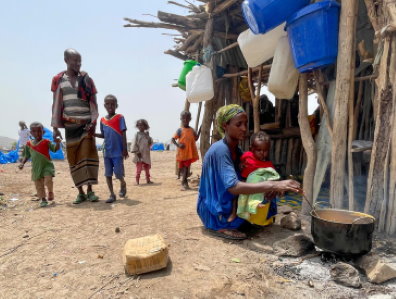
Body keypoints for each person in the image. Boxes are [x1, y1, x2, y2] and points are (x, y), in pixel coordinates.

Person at [197, 104, 301, 240]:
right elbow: (234, 187)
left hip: (226, 201)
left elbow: (249, 176)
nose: (244, 128)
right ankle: (221, 226)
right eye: (238, 124)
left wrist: (271, 187)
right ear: (225, 125)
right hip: (213, 208)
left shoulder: (236, 150)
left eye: (245, 123)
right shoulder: (220, 150)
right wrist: (274, 185)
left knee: (262, 192)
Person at [51, 48, 100, 204]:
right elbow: (56, 104)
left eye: (80, 61)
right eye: (75, 61)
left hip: (86, 125)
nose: (78, 64)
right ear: (66, 60)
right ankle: (80, 192)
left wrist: (93, 122)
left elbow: (94, 103)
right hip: (70, 126)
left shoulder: (86, 79)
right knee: (74, 160)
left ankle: (90, 191)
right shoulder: (58, 80)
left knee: (88, 157)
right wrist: (55, 127)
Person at [228, 131, 277, 223]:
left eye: (265, 150)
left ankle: (258, 212)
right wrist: (241, 165)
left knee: (263, 197)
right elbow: (240, 161)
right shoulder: (247, 155)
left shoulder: (268, 165)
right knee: (235, 196)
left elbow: (273, 177)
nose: (262, 153)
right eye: (259, 150)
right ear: (252, 149)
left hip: (257, 187)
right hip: (244, 182)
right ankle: (234, 213)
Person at [94, 95, 128, 203]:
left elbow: (123, 134)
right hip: (107, 152)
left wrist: (125, 149)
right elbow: (103, 135)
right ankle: (112, 194)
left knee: (118, 173)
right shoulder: (102, 120)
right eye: (108, 104)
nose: (110, 106)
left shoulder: (120, 117)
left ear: (116, 105)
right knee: (108, 174)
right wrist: (93, 134)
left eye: (113, 104)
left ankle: (123, 183)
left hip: (118, 152)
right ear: (104, 105)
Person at [18, 122, 61, 207]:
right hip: (36, 168)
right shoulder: (29, 144)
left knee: (48, 179)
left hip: (47, 166)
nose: (37, 133)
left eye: (39, 131)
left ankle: (50, 191)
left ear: (43, 132)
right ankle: (43, 199)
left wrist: (58, 143)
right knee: (39, 185)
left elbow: (55, 149)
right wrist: (22, 163)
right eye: (34, 131)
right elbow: (26, 155)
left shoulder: (46, 142)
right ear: (30, 133)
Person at [172, 111, 200, 190]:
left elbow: (196, 138)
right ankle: (184, 182)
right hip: (182, 153)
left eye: (187, 118)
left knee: (187, 167)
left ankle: (184, 183)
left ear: (190, 119)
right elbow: (173, 139)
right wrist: (178, 145)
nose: (185, 119)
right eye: (183, 118)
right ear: (181, 119)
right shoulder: (180, 130)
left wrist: (200, 131)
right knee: (182, 168)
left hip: (189, 153)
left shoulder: (192, 130)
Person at [131, 119, 153, 185]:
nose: (141, 126)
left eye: (142, 125)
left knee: (147, 169)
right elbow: (134, 144)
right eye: (139, 125)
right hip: (139, 155)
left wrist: (148, 137)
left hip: (146, 154)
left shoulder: (147, 135)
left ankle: (148, 180)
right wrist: (137, 152)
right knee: (139, 169)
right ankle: (137, 180)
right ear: (137, 126)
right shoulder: (137, 135)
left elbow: (150, 143)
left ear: (145, 126)